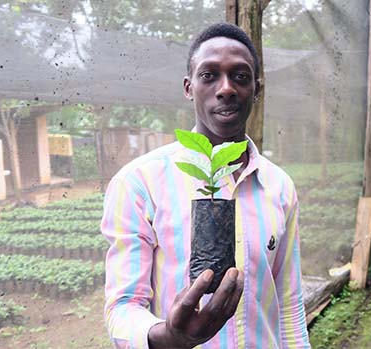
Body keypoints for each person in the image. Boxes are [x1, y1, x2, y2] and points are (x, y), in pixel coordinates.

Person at [101, 23, 310, 349]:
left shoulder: (279, 187)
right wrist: (168, 336)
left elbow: (288, 300)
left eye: (240, 77)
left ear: (257, 88)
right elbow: (123, 307)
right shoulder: (140, 183)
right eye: (209, 75)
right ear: (188, 87)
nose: (226, 88)